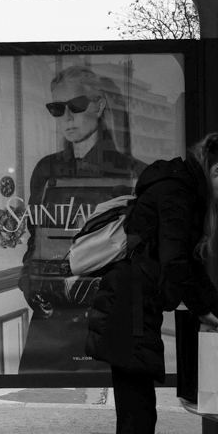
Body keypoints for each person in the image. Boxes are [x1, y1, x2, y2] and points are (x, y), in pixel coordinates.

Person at [85, 133, 218, 434]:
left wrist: (215, 309)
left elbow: (185, 261)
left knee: (140, 412)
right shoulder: (177, 192)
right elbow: (175, 262)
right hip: (129, 310)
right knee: (136, 416)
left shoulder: (179, 187)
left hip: (133, 307)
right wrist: (206, 310)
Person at [18, 63, 143, 375]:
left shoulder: (132, 172)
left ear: (99, 106)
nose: (67, 117)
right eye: (57, 108)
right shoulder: (45, 170)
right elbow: (36, 238)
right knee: (38, 394)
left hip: (107, 318)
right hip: (52, 318)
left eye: (76, 104)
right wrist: (30, 283)